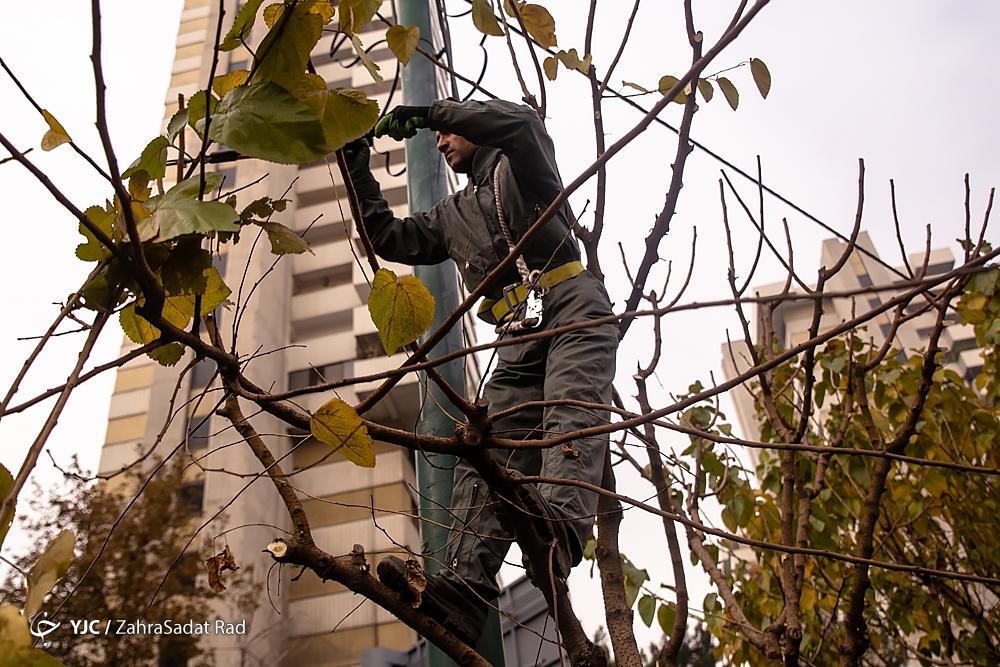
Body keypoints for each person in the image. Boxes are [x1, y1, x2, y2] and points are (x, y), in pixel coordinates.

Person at [342, 99, 619, 646]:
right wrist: (355, 160)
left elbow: (520, 123)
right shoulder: (451, 215)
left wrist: (426, 112)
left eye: (447, 133)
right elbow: (388, 237)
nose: (441, 144)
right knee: (485, 452)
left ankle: (557, 531)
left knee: (571, 414)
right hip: (516, 339)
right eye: (436, 138)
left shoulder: (523, 165)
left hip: (569, 306)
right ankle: (464, 590)